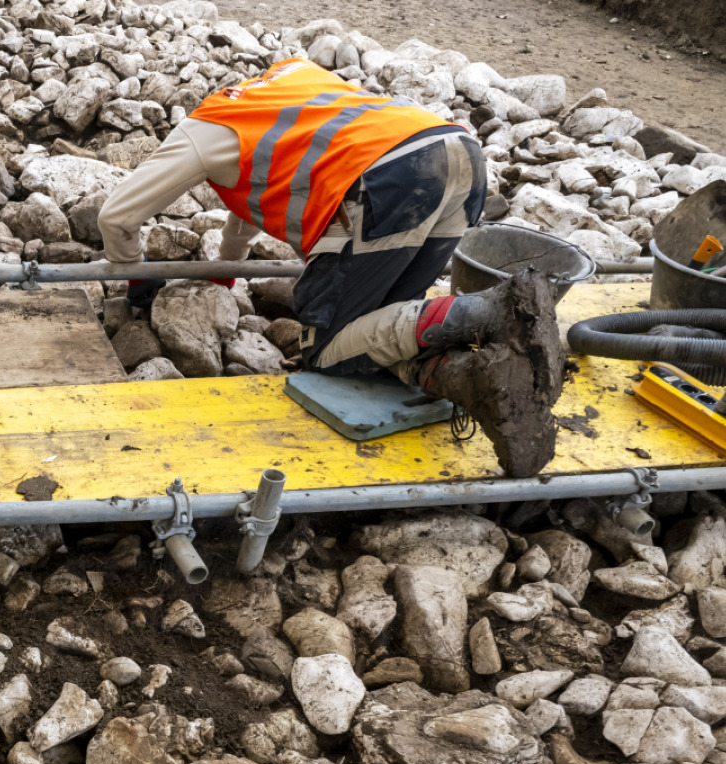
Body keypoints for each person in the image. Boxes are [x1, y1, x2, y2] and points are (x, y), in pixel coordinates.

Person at [97, 56, 565, 478]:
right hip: (458, 152)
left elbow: (116, 216)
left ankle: (479, 311)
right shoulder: (290, 79)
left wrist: (135, 274)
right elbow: (251, 199)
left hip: (389, 177)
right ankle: (471, 375)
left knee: (326, 350)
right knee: (383, 326)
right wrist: (228, 266)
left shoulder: (204, 129)